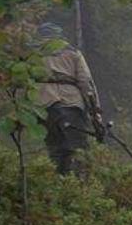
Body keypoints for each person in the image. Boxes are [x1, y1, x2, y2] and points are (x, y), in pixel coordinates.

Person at [34, 22, 104, 173]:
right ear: (59, 36)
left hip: (45, 106)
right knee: (77, 148)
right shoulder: (73, 53)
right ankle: (77, 187)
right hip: (71, 104)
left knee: (55, 148)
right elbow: (86, 83)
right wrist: (95, 111)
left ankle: (59, 184)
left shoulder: (33, 54)